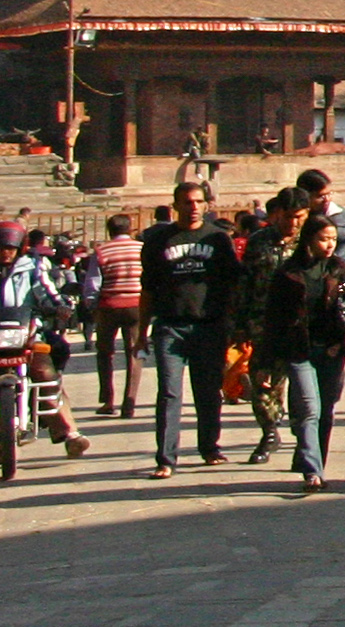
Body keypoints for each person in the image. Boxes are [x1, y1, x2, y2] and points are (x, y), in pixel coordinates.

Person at [140, 179, 242, 478]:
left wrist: (234, 324)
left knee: (208, 390)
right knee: (170, 392)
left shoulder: (218, 240)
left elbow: (232, 284)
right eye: (187, 202)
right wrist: (140, 332)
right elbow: (147, 289)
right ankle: (166, 458)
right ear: (175, 206)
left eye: (198, 202)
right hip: (170, 326)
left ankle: (209, 447)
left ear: (206, 205)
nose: (193, 207)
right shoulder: (159, 241)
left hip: (209, 325)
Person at [262, 214, 345, 493]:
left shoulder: (341, 269)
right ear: (308, 239)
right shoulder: (288, 274)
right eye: (322, 239)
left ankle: (318, 461)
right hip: (299, 349)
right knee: (309, 410)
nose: (329, 245)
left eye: (332, 239)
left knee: (325, 410)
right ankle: (312, 471)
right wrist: (267, 361)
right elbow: (273, 318)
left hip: (332, 348)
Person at [0, 220, 91, 470]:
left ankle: (70, 433)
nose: (5, 252)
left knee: (45, 372)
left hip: (27, 334)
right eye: (1, 247)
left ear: (20, 248)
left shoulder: (33, 267)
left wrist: (61, 305)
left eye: (10, 248)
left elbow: (47, 291)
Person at [232, 185, 310, 464]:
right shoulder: (259, 241)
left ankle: (305, 442)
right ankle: (269, 431)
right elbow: (245, 284)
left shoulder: (312, 241)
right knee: (263, 382)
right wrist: (239, 324)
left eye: (299, 216)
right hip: (263, 324)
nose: (292, 223)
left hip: (301, 326)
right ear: (276, 214)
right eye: (287, 216)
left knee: (303, 388)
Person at [82, 212, 144, 416]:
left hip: (109, 306)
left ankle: (108, 400)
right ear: (130, 229)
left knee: (105, 352)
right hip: (137, 305)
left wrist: (91, 306)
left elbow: (93, 283)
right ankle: (130, 401)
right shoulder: (141, 249)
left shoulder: (101, 251)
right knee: (134, 352)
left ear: (109, 231)